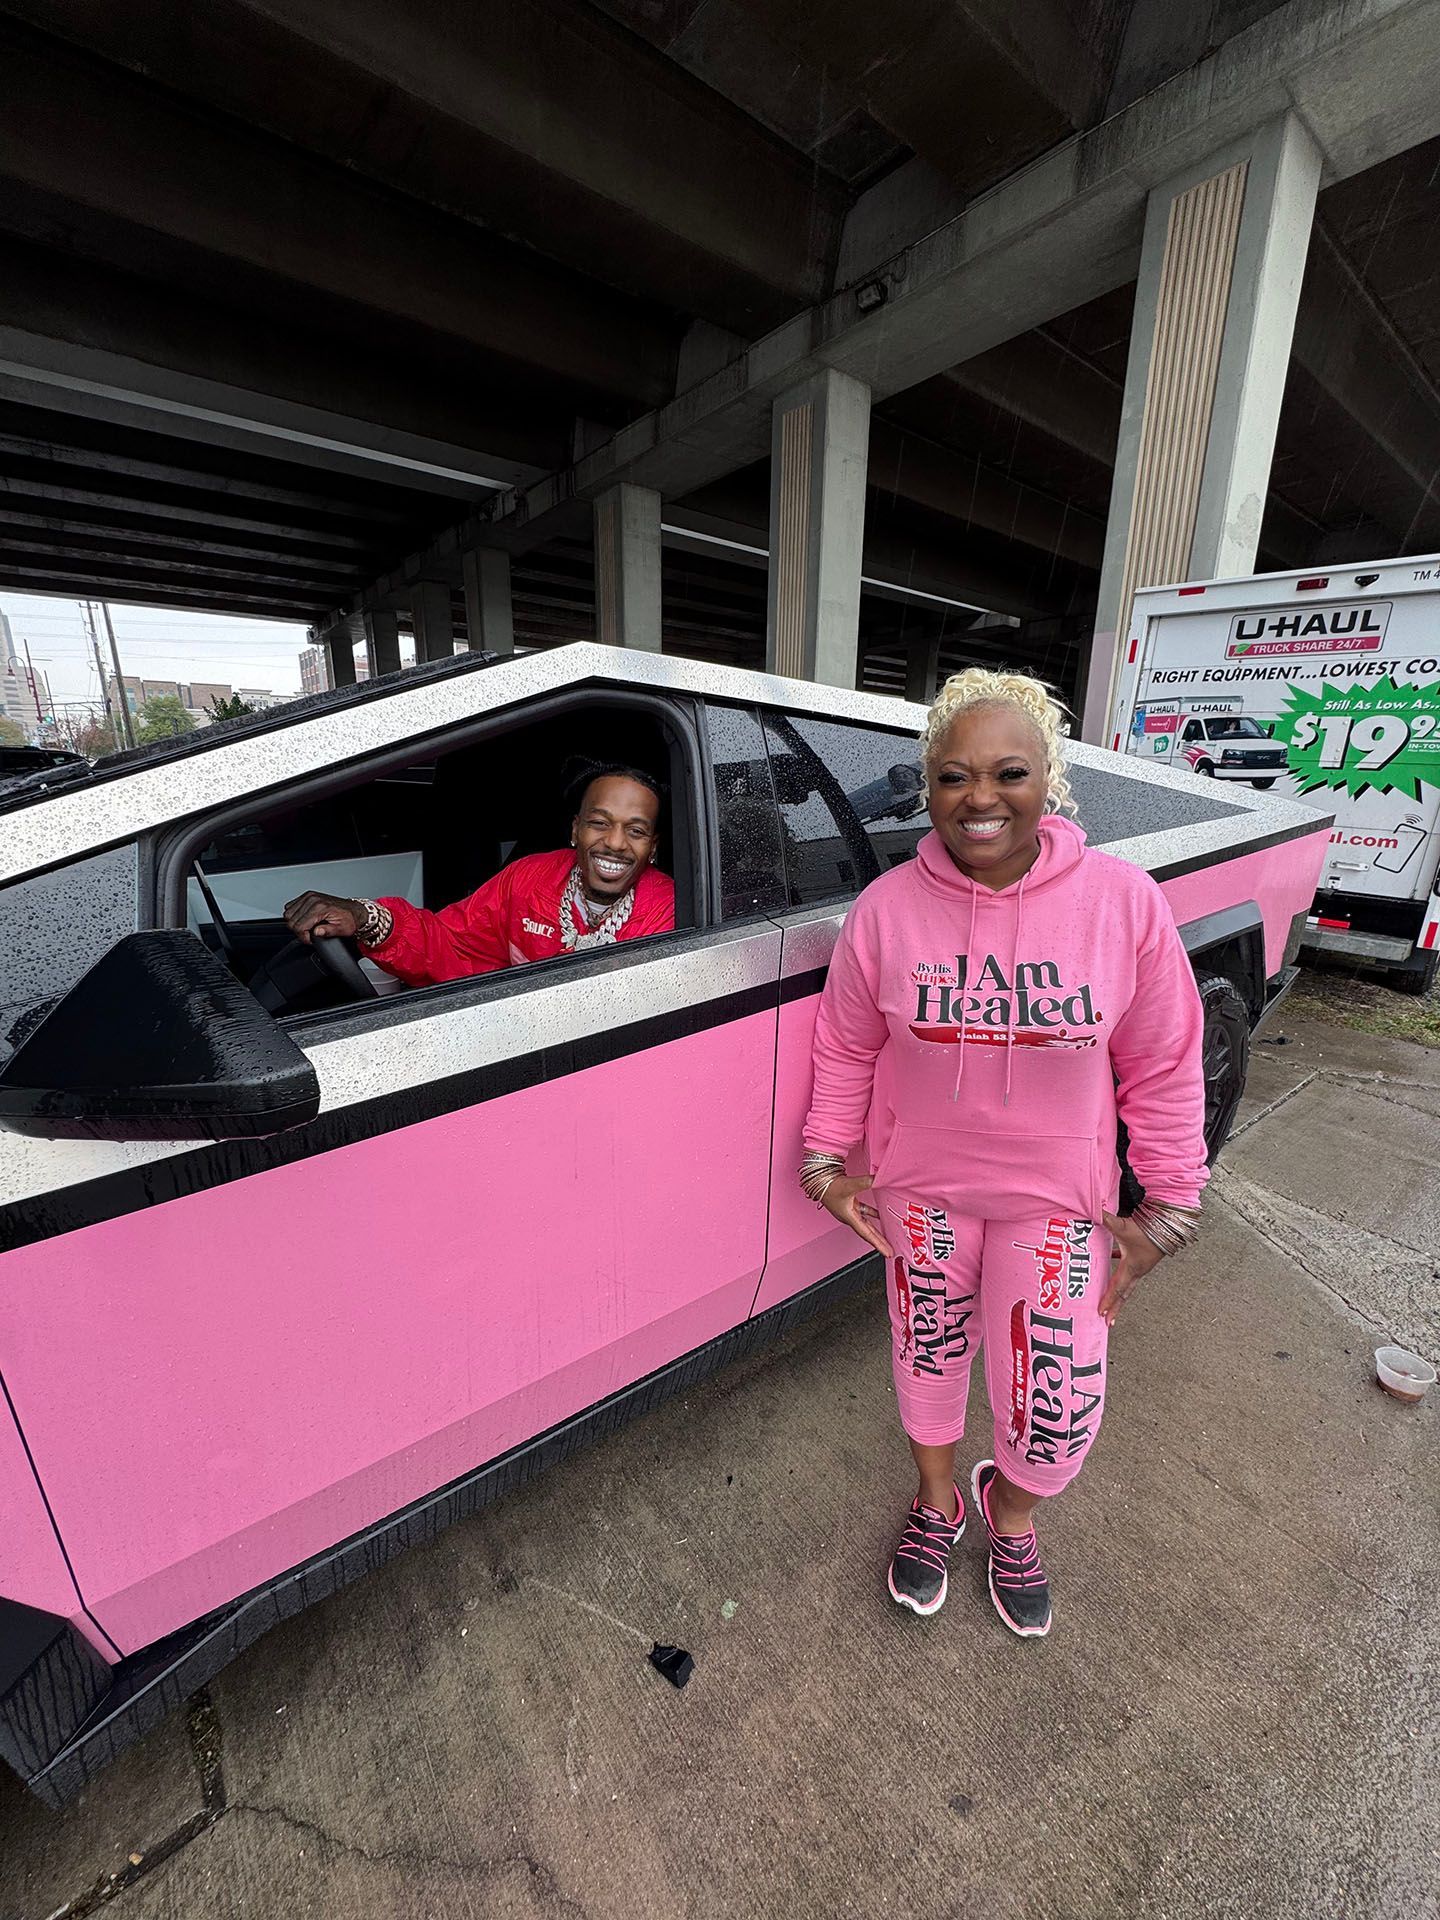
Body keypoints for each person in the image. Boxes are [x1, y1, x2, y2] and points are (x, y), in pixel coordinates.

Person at [800, 669, 1206, 1639]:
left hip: (1059, 1206)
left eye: (1008, 771)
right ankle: (938, 1504)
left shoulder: (1121, 904)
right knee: (927, 1362)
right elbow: (847, 1042)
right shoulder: (888, 910)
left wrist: (1170, 1206)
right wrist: (824, 1165)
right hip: (925, 1195)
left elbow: (1163, 1058)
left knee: (1056, 1409)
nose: (979, 797)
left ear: (1047, 781)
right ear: (930, 786)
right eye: (953, 776)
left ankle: (1010, 1513)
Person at [283, 763, 674, 986]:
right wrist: (365, 916)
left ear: (653, 848)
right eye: (599, 823)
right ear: (575, 830)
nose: (616, 843)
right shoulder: (528, 879)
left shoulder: (671, 909)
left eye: (636, 830)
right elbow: (452, 945)